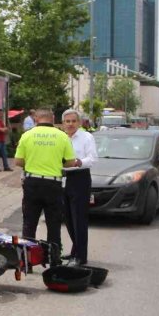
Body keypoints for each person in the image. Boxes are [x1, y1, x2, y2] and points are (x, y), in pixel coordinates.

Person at [14, 108, 77, 261]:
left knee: (29, 223)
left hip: (32, 183)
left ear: (36, 118)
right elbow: (70, 162)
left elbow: (18, 161)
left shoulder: (27, 135)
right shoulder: (62, 136)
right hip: (53, 185)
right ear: (53, 118)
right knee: (53, 224)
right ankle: (54, 260)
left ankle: (27, 261)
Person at [61, 109, 99, 266]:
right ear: (63, 123)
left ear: (79, 122)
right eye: (67, 121)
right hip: (62, 178)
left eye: (73, 121)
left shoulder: (87, 137)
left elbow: (93, 159)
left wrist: (78, 162)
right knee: (68, 218)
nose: (70, 124)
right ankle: (75, 250)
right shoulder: (60, 137)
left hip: (80, 177)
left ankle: (81, 256)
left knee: (79, 219)